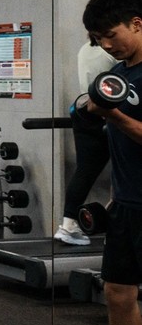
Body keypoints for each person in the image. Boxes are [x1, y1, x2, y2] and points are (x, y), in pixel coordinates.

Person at [79, 0, 142, 325]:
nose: (106, 45)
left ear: (136, 23)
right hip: (127, 203)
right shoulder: (120, 75)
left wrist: (113, 116)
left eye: (111, 34)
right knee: (118, 294)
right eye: (98, 39)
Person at [54, 39, 113, 246]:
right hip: (105, 113)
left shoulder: (85, 48)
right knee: (125, 169)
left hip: (84, 110)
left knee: (85, 171)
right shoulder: (113, 50)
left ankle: (68, 224)